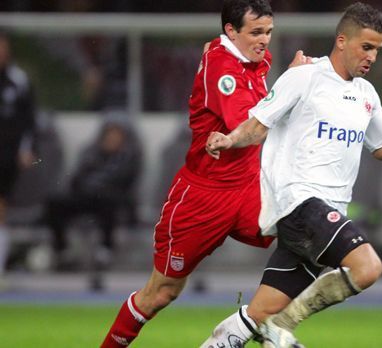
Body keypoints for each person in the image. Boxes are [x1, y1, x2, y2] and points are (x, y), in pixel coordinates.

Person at [204, 3, 382, 347]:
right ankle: (283, 326)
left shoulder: (366, 95)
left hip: (323, 214)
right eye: (366, 47)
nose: (372, 57)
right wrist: (229, 139)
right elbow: (259, 124)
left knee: (255, 314)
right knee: (368, 267)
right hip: (300, 202)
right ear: (342, 40)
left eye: (377, 49)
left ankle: (243, 334)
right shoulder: (305, 76)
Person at [99, 1, 311, 346]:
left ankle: (258, 327)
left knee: (306, 236)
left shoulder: (250, 58)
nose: (264, 41)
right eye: (256, 32)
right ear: (231, 31)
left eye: (269, 32)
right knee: (160, 294)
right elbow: (251, 128)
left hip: (247, 190)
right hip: (202, 197)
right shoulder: (223, 68)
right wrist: (293, 81)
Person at [44, 118, 142, 270]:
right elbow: (76, 178)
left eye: (116, 135)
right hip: (86, 196)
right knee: (54, 203)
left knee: (109, 204)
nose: (112, 139)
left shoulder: (129, 156)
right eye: (109, 134)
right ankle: (63, 251)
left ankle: (105, 251)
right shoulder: (91, 152)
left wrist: (99, 183)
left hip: (110, 198)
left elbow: (124, 180)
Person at [0, 31, 37, 287]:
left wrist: (26, 149)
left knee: (1, 209)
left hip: (5, 155)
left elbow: (29, 121)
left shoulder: (18, 81)